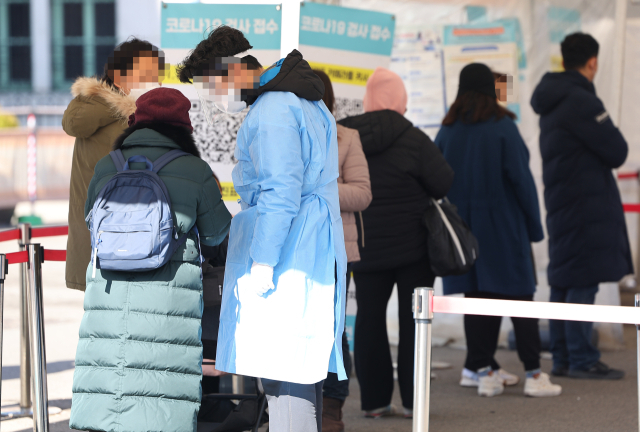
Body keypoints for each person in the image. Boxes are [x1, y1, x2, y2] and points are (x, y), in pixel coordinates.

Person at [178, 27, 348, 432]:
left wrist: (263, 262)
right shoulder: (296, 100)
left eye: (210, 85)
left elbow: (279, 191)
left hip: (289, 254)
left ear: (233, 71)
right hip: (306, 246)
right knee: (299, 373)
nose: (213, 97)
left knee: (284, 373)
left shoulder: (274, 110)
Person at [69, 87, 232, 431]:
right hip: (168, 305)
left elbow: (89, 219)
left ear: (135, 123)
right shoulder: (194, 169)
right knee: (161, 398)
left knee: (109, 389)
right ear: (184, 127)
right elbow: (218, 233)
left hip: (108, 301)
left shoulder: (107, 165)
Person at [435, 63, 561, 398]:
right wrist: (535, 228)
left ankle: (484, 372)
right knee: (521, 298)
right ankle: (534, 373)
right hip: (504, 229)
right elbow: (522, 182)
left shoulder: (447, 131)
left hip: (464, 234)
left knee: (477, 301)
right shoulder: (503, 127)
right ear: (490, 88)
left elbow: (434, 181)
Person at [338, 67, 454, 418]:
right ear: (401, 99)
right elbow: (444, 182)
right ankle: (414, 401)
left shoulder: (346, 133)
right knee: (414, 321)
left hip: (366, 245)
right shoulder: (414, 138)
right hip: (414, 250)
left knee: (369, 319)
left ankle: (373, 402)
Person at [531, 32, 630, 380]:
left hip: (561, 202)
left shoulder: (551, 101)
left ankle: (562, 357)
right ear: (593, 62)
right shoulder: (582, 101)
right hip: (586, 206)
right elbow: (617, 151)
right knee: (581, 280)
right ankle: (580, 357)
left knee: (563, 278)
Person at [63, 38, 164, 291]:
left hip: (121, 240)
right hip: (113, 240)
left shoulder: (131, 115)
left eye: (158, 75)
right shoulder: (116, 117)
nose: (157, 81)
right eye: (148, 74)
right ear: (120, 78)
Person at [313, 69, 372, 432]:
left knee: (334, 329)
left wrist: (320, 190)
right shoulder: (285, 133)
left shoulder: (346, 137)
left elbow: (363, 194)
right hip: (294, 246)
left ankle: (333, 406)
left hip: (335, 248)